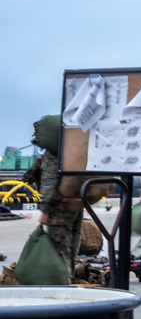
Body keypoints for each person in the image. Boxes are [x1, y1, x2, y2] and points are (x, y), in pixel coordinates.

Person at [30, 116, 83, 280]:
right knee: (72, 247)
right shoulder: (72, 152)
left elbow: (49, 183)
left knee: (59, 249)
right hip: (76, 205)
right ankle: (71, 279)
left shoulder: (52, 155)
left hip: (58, 209)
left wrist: (45, 211)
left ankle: (64, 284)